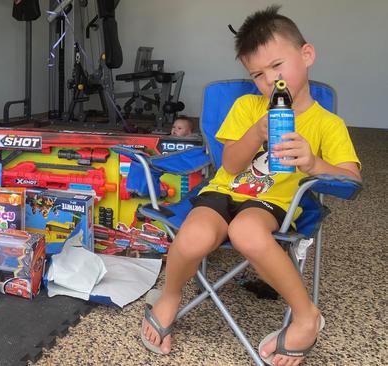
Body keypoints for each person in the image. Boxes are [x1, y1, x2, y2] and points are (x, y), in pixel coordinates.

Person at [140, 5, 361, 365]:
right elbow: (228, 164)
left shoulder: (327, 124)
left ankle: (307, 316)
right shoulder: (247, 106)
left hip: (272, 203)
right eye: (258, 74)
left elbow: (351, 180)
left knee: (246, 232)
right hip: (222, 191)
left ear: (306, 55)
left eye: (277, 66)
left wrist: (313, 162)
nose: (269, 80)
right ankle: (169, 295)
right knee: (193, 237)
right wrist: (255, 132)